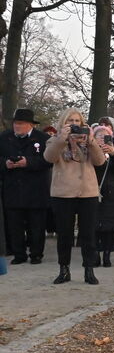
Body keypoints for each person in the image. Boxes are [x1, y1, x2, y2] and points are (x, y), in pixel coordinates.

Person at [43, 108, 105, 284]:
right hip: (63, 193)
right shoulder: (54, 140)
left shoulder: (88, 140)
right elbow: (49, 158)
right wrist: (62, 139)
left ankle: (89, 270)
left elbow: (100, 161)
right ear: (63, 123)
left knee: (88, 234)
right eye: (70, 120)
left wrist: (91, 141)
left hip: (88, 192)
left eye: (77, 121)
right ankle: (64, 270)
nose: (74, 124)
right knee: (64, 234)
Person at [0, 108, 52, 265]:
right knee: (14, 223)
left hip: (36, 189)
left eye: (21, 124)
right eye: (15, 123)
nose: (17, 126)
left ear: (30, 124)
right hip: (12, 187)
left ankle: (36, 254)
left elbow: (48, 161)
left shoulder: (43, 139)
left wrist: (28, 162)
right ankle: (19, 253)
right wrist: (5, 163)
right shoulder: (4, 137)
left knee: (36, 224)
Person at [92, 124, 114, 268]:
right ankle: (95, 255)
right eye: (98, 135)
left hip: (112, 193)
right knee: (94, 225)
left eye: (105, 136)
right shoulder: (89, 152)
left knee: (110, 227)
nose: (102, 138)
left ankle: (107, 255)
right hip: (93, 191)